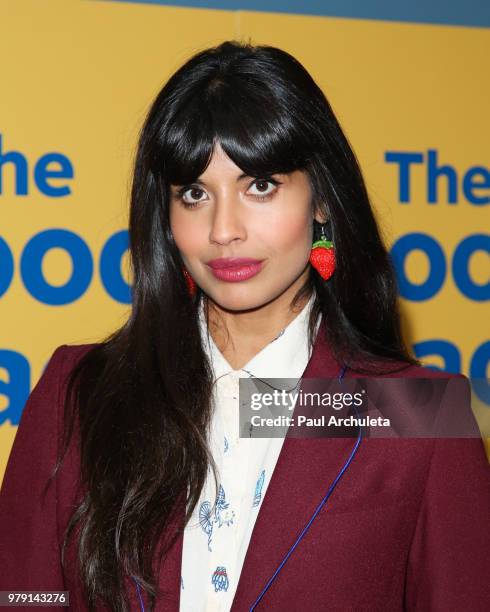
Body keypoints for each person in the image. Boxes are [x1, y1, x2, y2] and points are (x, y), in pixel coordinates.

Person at [1, 40, 489, 612]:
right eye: (194, 193)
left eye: (260, 185)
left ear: (323, 202)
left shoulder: (415, 416)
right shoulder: (79, 391)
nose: (223, 228)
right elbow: (24, 595)